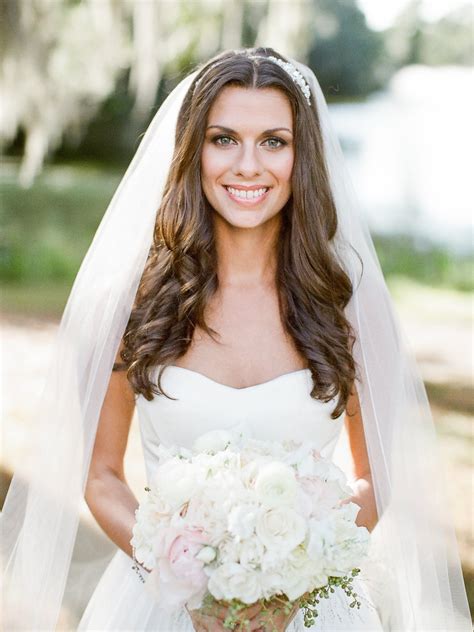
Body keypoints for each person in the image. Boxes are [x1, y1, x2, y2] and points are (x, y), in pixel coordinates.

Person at [1, 48, 471, 632]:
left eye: (274, 141)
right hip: (158, 607)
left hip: (313, 612)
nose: (248, 165)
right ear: (193, 152)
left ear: (304, 158)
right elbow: (101, 476)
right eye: (224, 139)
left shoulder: (350, 304)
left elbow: (376, 477)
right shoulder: (130, 302)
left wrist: (292, 579)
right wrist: (186, 582)